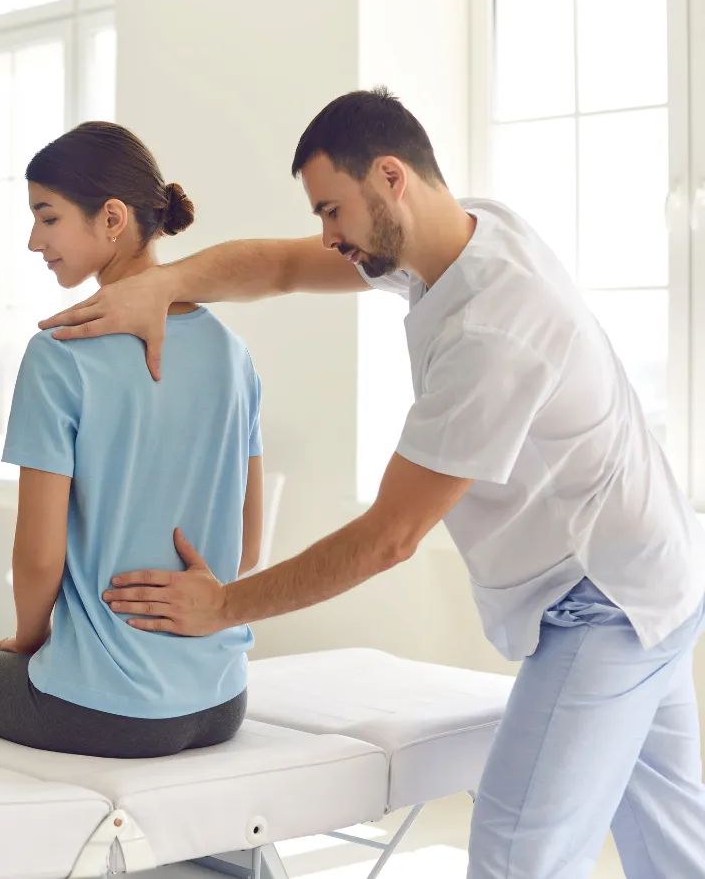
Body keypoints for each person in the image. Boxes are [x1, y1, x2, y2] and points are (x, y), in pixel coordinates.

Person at [38, 89, 705, 876]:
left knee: (517, 855)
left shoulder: (494, 329)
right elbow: (284, 266)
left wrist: (222, 607)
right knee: (673, 853)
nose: (327, 235)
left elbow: (389, 538)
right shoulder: (467, 236)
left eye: (332, 210)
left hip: (606, 602)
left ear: (392, 178)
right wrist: (164, 284)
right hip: (659, 569)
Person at [0, 122, 264, 759]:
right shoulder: (233, 353)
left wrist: (27, 643)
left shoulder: (60, 353)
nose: (34, 240)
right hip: (222, 699)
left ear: (111, 218)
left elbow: (39, 557)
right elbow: (247, 546)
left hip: (106, 709)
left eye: (47, 217)